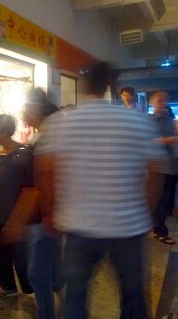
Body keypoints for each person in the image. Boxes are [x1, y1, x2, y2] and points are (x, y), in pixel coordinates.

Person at [35, 61, 166, 319]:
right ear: (109, 87)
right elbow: (156, 170)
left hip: (79, 228)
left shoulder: (61, 123)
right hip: (128, 227)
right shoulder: (136, 120)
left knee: (75, 296)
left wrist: (50, 213)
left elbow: (44, 171)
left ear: (83, 87)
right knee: (133, 298)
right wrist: (146, 211)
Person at [1, 88, 63, 319]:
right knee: (54, 272)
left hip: (44, 218)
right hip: (52, 215)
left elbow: (39, 184)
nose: (22, 113)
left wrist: (17, 221)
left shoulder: (45, 138)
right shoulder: (48, 134)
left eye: (24, 108)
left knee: (38, 276)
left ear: (34, 110)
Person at [0, 114, 33, 300]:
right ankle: (6, 285)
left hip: (17, 215)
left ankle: (32, 286)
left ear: (4, 132)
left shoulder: (24, 154)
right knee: (0, 251)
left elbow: (30, 187)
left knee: (22, 257)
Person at [149, 90, 177, 244]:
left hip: (170, 163)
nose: (162, 103)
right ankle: (160, 231)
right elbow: (150, 140)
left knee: (165, 199)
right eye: (158, 101)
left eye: (164, 100)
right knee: (160, 199)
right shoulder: (150, 120)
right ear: (153, 103)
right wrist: (169, 139)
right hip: (158, 165)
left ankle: (158, 226)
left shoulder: (168, 118)